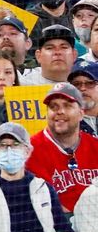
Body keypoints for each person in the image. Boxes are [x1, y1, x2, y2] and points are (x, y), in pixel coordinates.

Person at [0, 121, 74, 232]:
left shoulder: (43, 188)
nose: (9, 150)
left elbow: (65, 230)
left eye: (15, 144)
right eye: (3, 145)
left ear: (27, 151)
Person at [26, 82, 98, 212]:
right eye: (54, 107)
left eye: (67, 106)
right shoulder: (30, 150)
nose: (60, 111)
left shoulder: (95, 146)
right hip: (55, 225)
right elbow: (43, 204)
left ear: (81, 113)